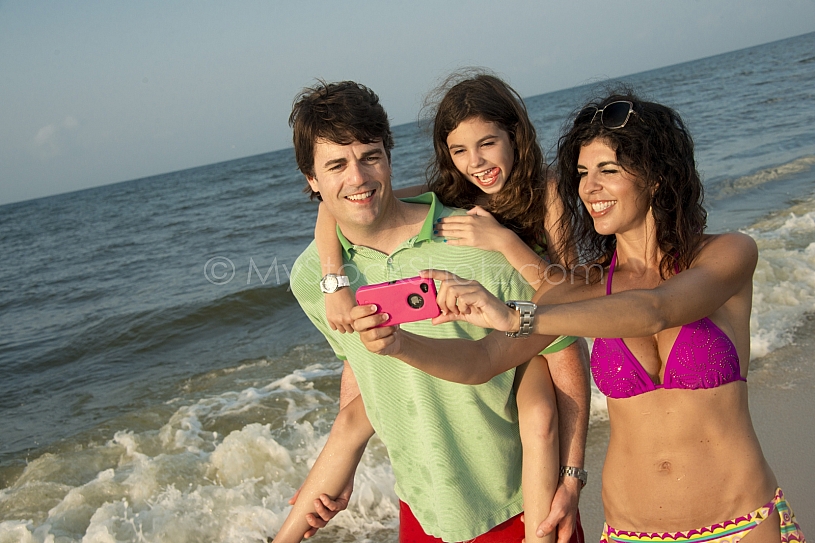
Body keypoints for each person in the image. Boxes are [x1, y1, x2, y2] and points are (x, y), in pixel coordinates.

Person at [352, 92, 807, 543]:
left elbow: (657, 309)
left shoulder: (726, 254)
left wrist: (515, 316)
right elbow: (483, 359)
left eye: (608, 171)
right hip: (632, 531)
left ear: (656, 177)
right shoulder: (582, 287)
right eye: (583, 174)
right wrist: (399, 345)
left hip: (742, 523)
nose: (589, 188)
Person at [276, 80, 590, 543]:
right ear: (311, 178)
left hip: (519, 503)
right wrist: (344, 459)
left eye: (370, 157)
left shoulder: (480, 242)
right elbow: (357, 364)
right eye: (336, 165)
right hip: (422, 507)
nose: (358, 178)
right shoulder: (313, 279)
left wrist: (571, 477)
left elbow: (564, 343)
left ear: (388, 154)